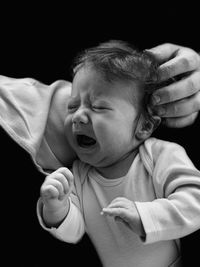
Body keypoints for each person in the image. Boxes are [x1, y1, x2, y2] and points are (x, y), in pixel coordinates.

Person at [37, 40, 200, 267]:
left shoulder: (159, 156)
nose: (78, 117)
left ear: (144, 127)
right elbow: (74, 231)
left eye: (98, 107)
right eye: (72, 106)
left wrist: (146, 215)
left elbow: (195, 203)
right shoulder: (79, 175)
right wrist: (56, 208)